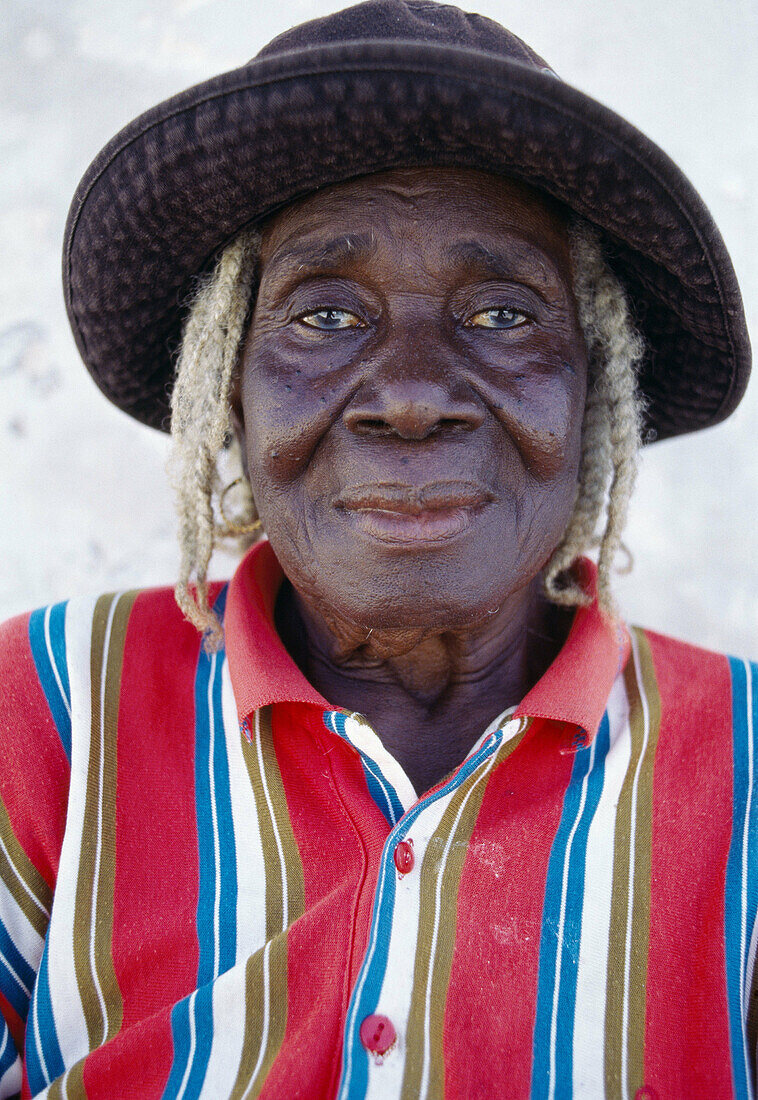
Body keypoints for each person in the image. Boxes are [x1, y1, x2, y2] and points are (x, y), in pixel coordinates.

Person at [0, 1, 755, 1097]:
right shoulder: (48, 710)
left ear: (593, 391)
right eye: (322, 317)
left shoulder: (744, 771)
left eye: (501, 315)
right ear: (227, 389)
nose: (407, 397)